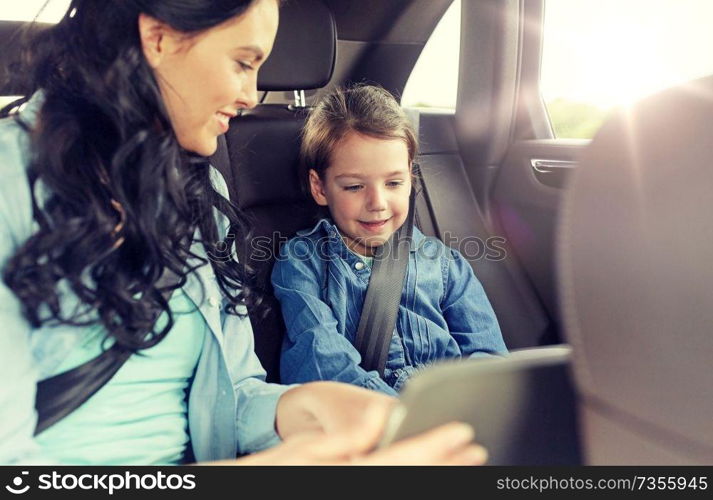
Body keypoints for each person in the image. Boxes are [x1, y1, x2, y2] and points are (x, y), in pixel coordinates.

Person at [0, 0, 487, 465]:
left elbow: (231, 392)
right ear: (159, 38)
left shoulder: (197, 193)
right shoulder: (10, 186)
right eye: (242, 62)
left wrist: (302, 408)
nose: (251, 95)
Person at [272, 85, 508, 396]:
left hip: (451, 413)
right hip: (362, 419)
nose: (378, 202)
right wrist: (399, 417)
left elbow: (489, 359)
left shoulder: (446, 266)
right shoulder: (303, 263)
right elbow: (321, 362)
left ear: (411, 178)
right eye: (355, 187)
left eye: (394, 182)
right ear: (320, 188)